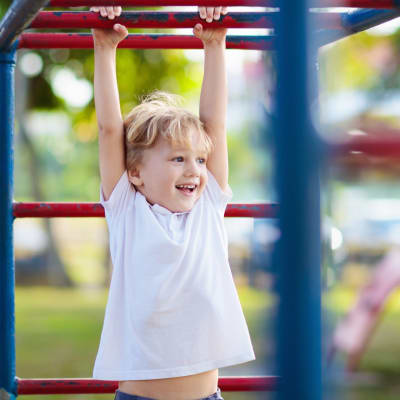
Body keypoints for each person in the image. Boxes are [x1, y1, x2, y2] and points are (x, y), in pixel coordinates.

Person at [91, 6, 256, 400]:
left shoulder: (208, 206)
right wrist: (104, 47)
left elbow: (214, 124)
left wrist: (215, 46)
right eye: (178, 158)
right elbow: (109, 128)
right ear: (135, 173)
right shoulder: (127, 210)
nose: (194, 170)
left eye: (199, 160)